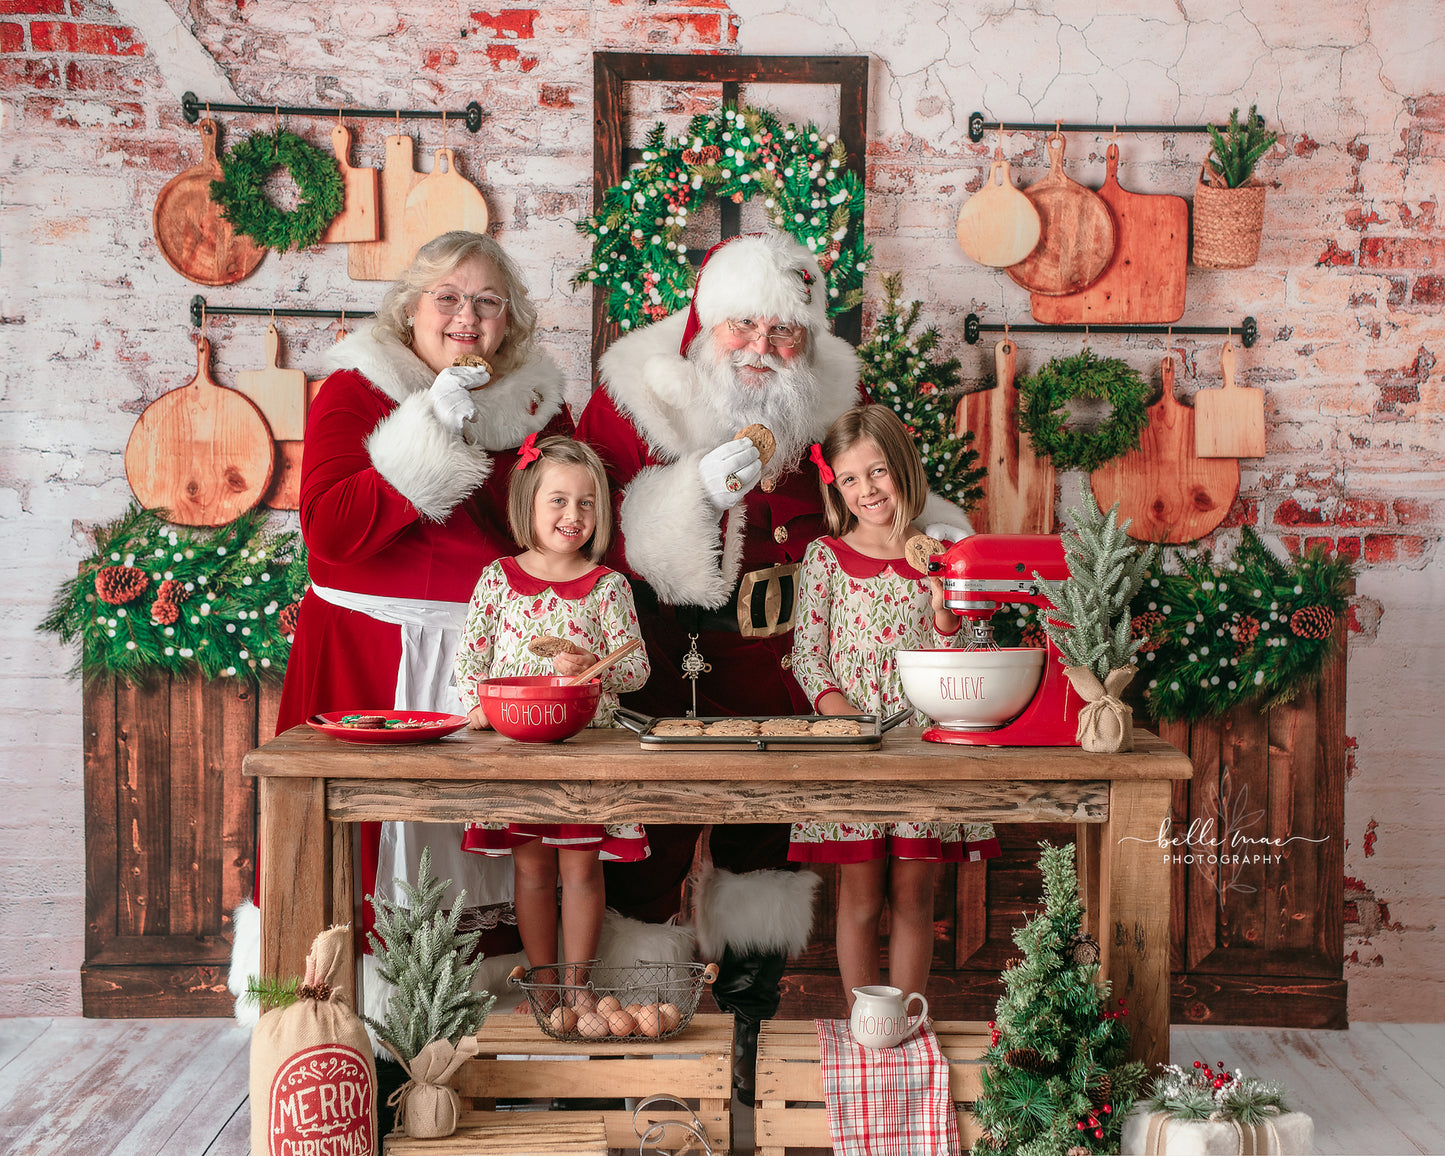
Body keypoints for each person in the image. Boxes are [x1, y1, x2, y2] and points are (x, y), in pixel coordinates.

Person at [575, 230, 971, 1100]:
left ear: (808, 335)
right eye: (741, 324)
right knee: (651, 856)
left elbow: (875, 484)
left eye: (782, 330)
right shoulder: (635, 388)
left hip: (790, 662)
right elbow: (580, 525)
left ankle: (748, 1050)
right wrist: (689, 496)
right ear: (705, 319)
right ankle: (640, 1053)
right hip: (667, 655)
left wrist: (938, 536)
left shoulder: (829, 390)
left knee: (764, 854)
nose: (761, 346)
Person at [232, 231, 573, 1025]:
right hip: (367, 650)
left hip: (485, 657)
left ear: (510, 320)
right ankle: (339, 1026)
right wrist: (427, 430)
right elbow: (329, 531)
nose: (466, 317)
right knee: (356, 846)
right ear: (411, 308)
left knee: (482, 849)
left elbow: (560, 526)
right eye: (447, 298)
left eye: (488, 302)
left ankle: (485, 1030)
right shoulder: (354, 391)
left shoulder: (532, 406)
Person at [787, 405, 1000, 1008]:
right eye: (850, 479)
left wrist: (943, 613)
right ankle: (867, 1021)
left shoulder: (940, 559)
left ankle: (906, 1018)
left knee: (913, 896)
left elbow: (960, 657)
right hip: (852, 749)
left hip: (922, 749)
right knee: (858, 896)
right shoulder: (826, 558)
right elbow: (809, 658)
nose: (867, 490)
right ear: (836, 487)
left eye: (877, 472)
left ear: (902, 469)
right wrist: (845, 720)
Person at [454, 434, 651, 990]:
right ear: (528, 504)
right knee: (533, 869)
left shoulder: (608, 588)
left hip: (587, 755)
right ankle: (543, 984)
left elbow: (636, 672)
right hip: (517, 754)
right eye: (558, 500)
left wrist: (595, 664)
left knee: (581, 869)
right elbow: (471, 658)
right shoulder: (498, 579)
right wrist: (479, 707)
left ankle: (578, 988)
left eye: (586, 503)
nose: (573, 514)